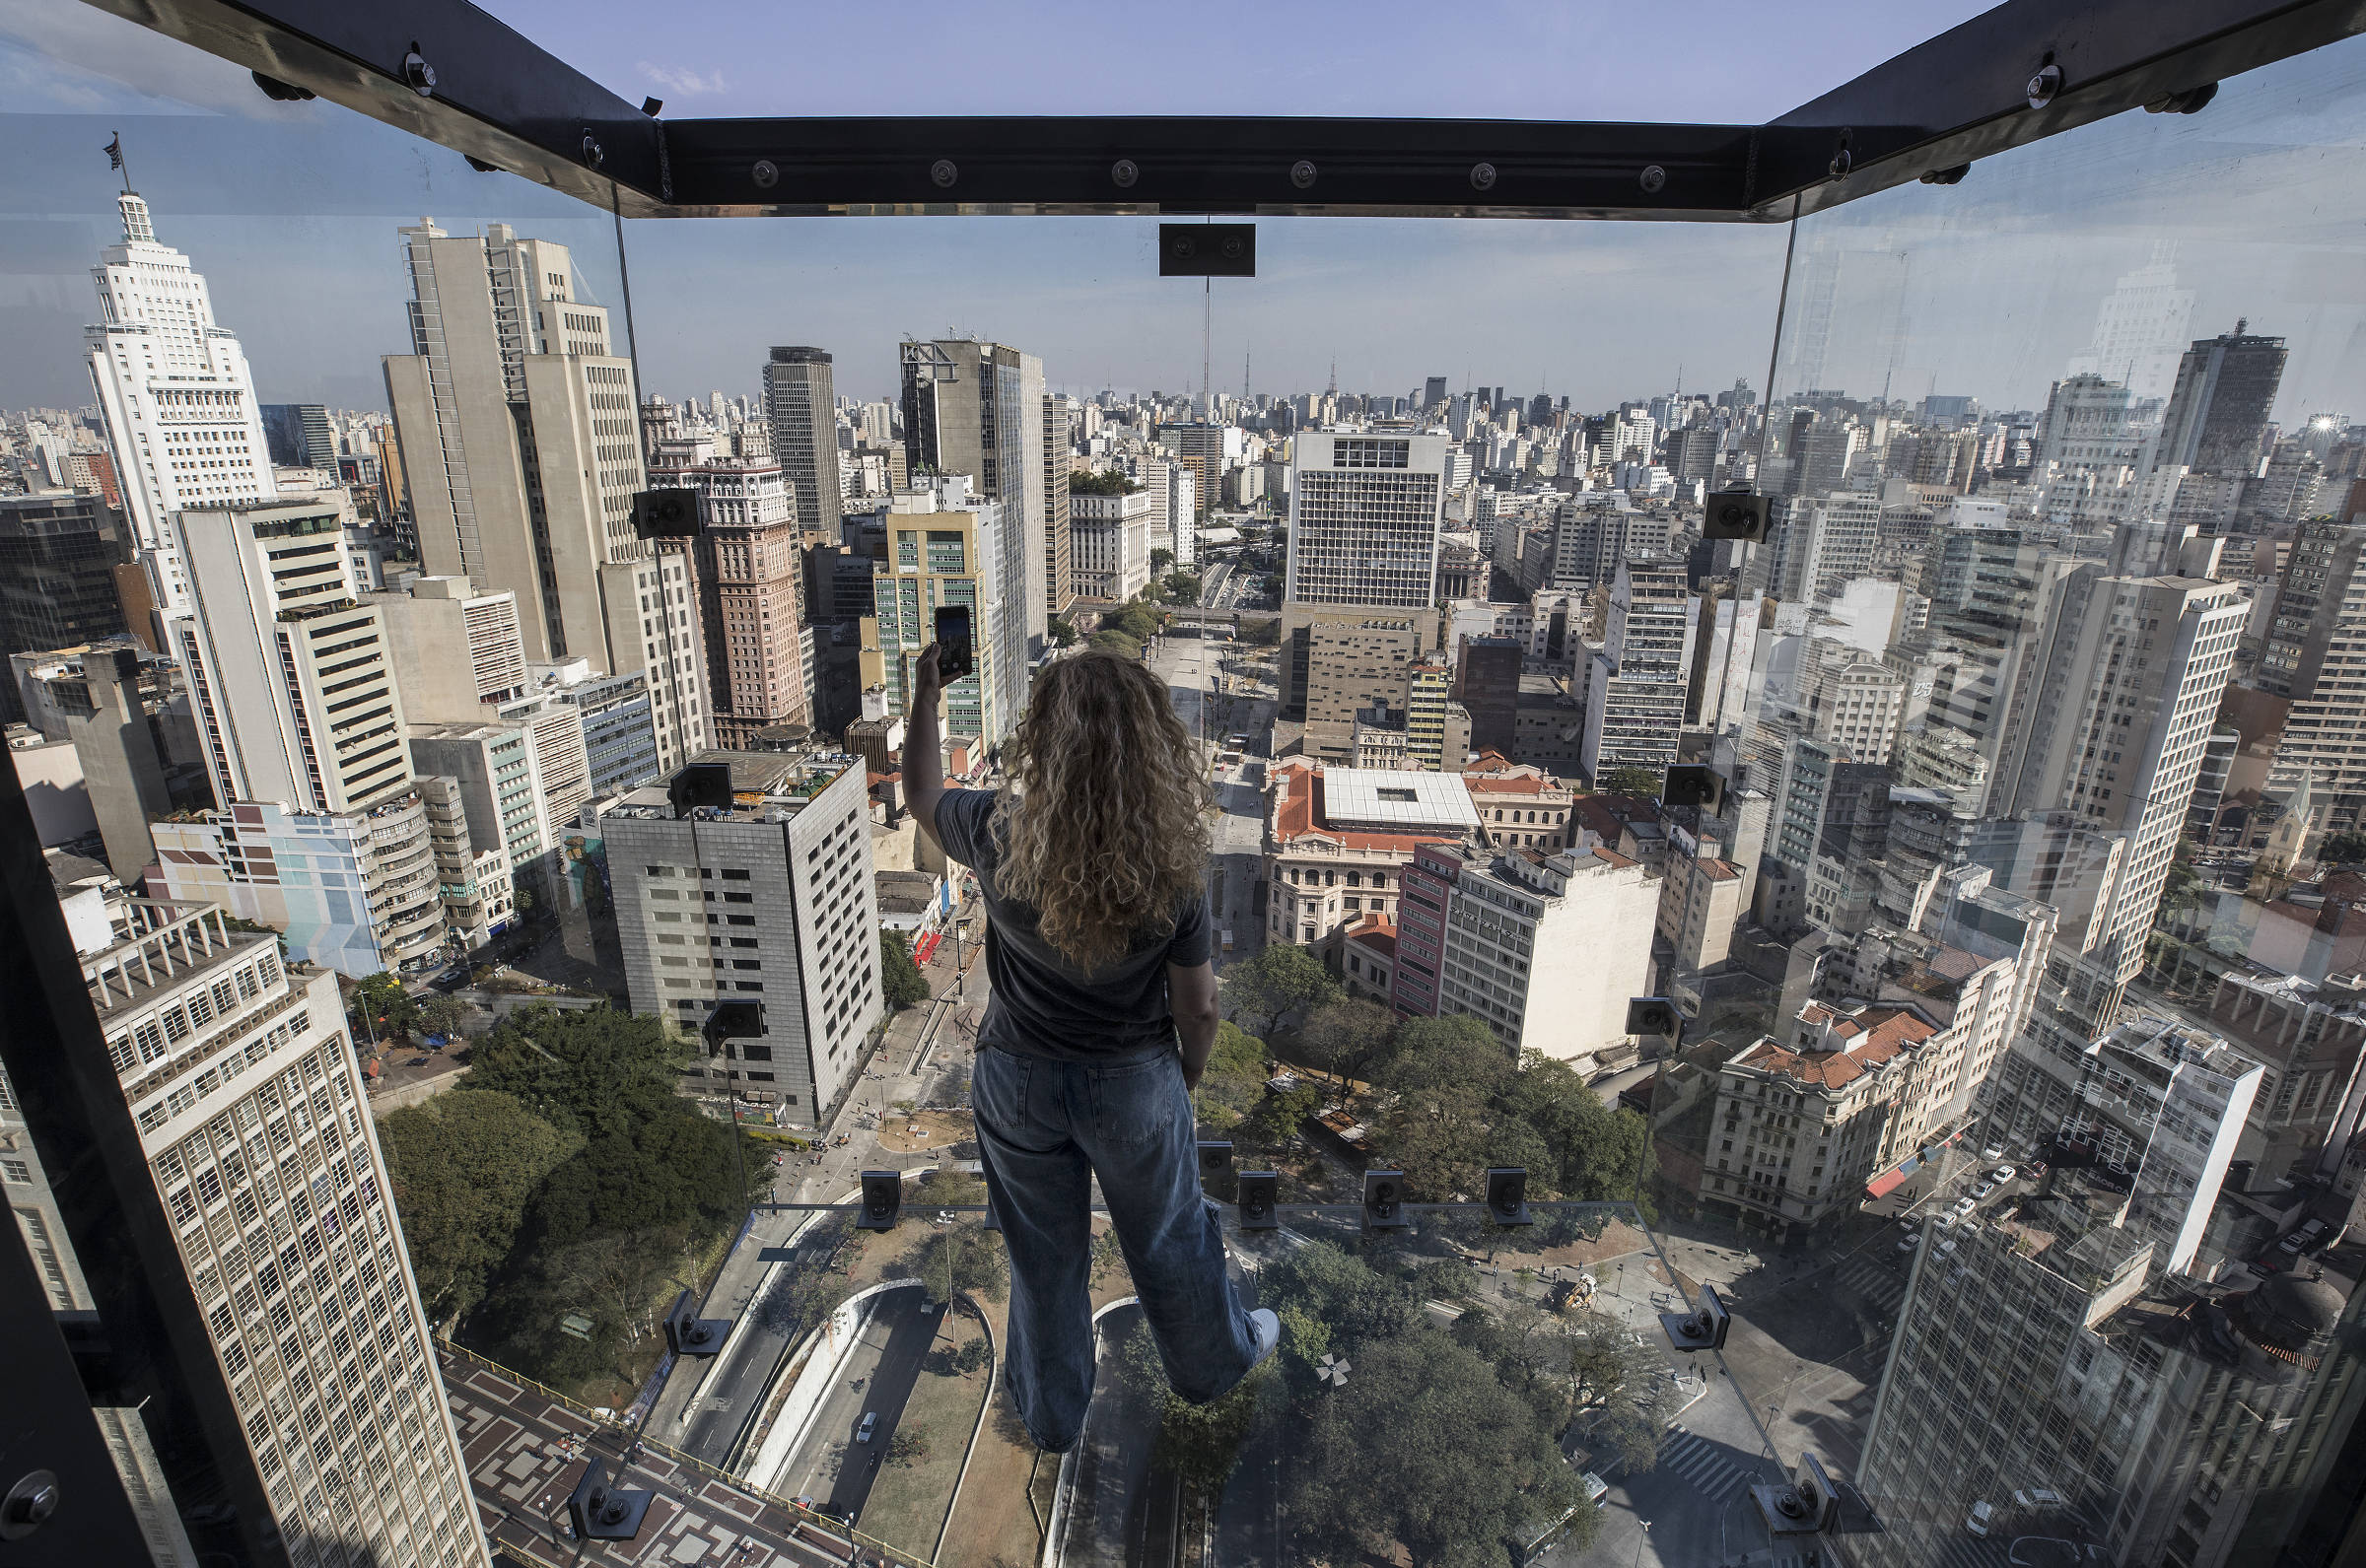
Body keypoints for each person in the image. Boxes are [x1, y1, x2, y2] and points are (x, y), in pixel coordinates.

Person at [906, 643, 1277, 1454]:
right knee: (1170, 1238)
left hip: (1017, 1079)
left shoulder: (1003, 835)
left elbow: (923, 793)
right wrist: (1179, 1079)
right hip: (1133, 1080)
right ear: (1151, 744)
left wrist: (926, 696)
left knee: (1042, 1260)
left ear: (1045, 741)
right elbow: (1201, 1006)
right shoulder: (1170, 865)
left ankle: (1052, 1414)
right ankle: (1213, 1364)